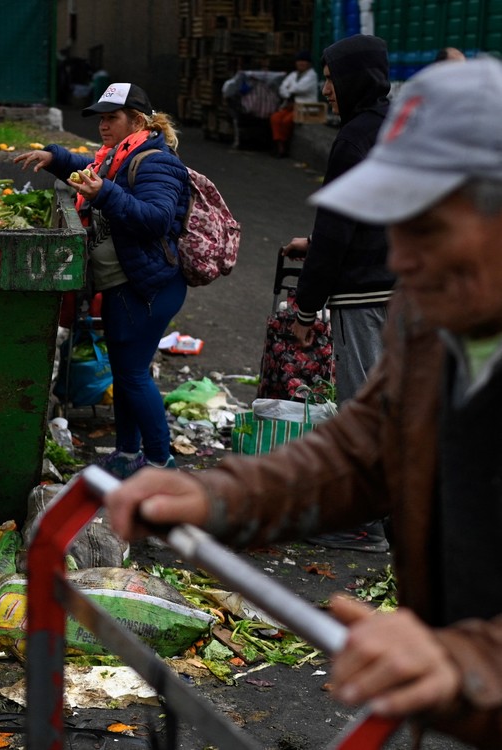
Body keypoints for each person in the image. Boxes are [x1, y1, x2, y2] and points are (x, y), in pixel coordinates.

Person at [102, 56, 502, 749]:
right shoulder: (431, 317)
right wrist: (218, 498)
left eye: (429, 227)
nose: (401, 258)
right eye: (394, 224)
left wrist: (471, 662)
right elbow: (365, 447)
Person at [14, 83, 190, 478]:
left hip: (145, 288)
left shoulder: (157, 162)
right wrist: (55, 157)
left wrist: (105, 194)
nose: (103, 125)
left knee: (133, 374)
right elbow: (91, 168)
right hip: (122, 286)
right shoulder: (118, 155)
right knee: (126, 374)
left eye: (112, 118)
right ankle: (128, 454)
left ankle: (161, 462)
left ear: (137, 121)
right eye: (101, 118)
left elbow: (157, 218)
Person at [279, 35, 396, 552]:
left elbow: (336, 231)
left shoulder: (354, 139)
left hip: (365, 299)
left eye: (331, 80)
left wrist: (306, 308)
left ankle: (362, 525)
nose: (326, 89)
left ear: (355, 80)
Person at [269, 51, 319, 158]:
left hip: (305, 107)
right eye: (299, 61)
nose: (301, 63)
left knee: (287, 121)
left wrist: (288, 89)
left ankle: (282, 146)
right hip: (291, 106)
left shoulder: (312, 75)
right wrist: (289, 91)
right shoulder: (293, 74)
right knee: (275, 118)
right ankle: (279, 144)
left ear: (309, 63)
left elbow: (299, 88)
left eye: (304, 61)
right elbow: (282, 88)